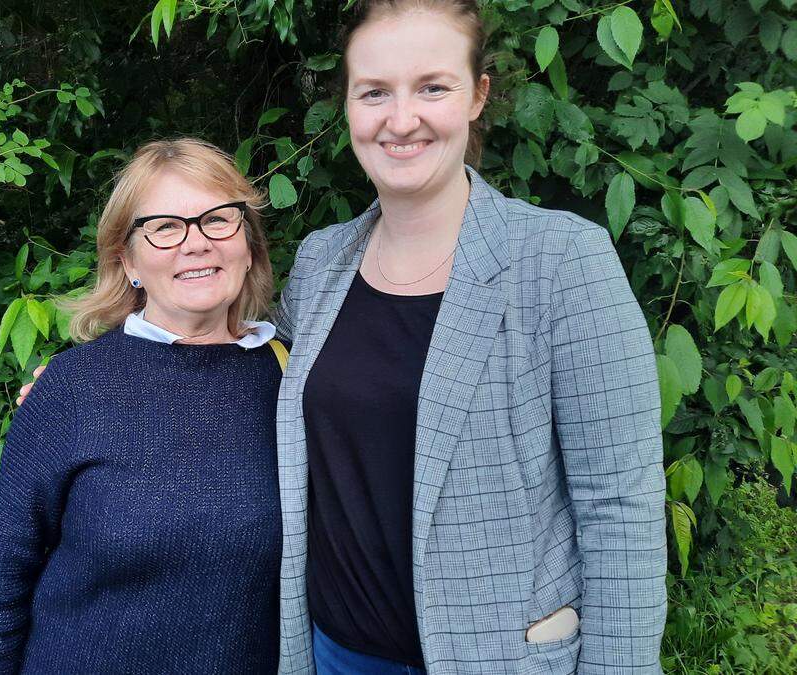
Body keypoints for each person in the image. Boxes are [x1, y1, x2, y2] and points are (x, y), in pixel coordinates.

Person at [272, 1, 666, 673]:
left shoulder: (562, 259)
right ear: (348, 106)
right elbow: (245, 367)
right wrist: (113, 378)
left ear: (478, 95)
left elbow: (622, 508)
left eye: (432, 86)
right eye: (374, 92)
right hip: (336, 653)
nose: (401, 119)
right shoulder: (320, 262)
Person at [0, 138, 288, 674]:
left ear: (248, 244)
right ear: (128, 260)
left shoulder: (294, 381)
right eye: (164, 227)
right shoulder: (73, 387)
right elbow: (3, 578)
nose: (196, 243)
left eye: (218, 220)